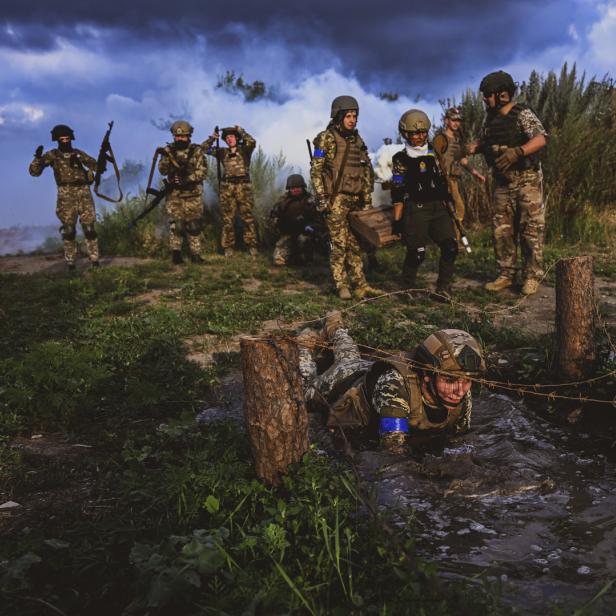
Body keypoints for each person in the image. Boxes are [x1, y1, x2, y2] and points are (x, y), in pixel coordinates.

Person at [297, 311, 485, 455]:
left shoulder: (460, 391)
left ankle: (335, 326)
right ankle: (304, 345)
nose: (459, 390)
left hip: (368, 373)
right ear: (427, 374)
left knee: (348, 356)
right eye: (449, 380)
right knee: (303, 392)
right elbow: (392, 448)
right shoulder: (395, 387)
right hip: (344, 381)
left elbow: (459, 439)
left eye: (468, 381)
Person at [468, 70, 547, 295]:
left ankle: (531, 276)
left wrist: (518, 152)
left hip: (526, 180)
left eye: (487, 95)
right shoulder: (490, 120)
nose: (484, 99)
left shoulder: (522, 113)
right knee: (502, 231)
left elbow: (541, 138)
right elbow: (484, 141)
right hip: (502, 183)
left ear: (502, 94)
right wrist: (473, 148)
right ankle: (505, 274)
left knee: (531, 229)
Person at [310, 95, 379, 300]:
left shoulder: (358, 140)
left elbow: (366, 171)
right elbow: (316, 170)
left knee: (356, 244)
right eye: (348, 116)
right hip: (335, 199)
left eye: (355, 116)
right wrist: (322, 197)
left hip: (355, 199)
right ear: (338, 116)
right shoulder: (326, 138)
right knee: (338, 244)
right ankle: (341, 284)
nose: (352, 120)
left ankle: (360, 285)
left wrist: (366, 199)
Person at [390, 109, 459, 298]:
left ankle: (443, 289)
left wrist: (449, 201)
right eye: (415, 133)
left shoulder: (433, 152)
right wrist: (397, 221)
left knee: (450, 247)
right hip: (416, 209)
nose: (420, 136)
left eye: (423, 132)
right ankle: (406, 288)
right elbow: (397, 193)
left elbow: (443, 177)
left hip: (439, 207)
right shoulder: (400, 159)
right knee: (417, 253)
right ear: (405, 133)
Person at [29, 124, 100, 271]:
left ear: (71, 138)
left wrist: (93, 167)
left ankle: (95, 260)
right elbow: (35, 172)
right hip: (65, 193)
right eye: (62, 139)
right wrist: (37, 158)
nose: (65, 141)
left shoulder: (78, 153)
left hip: (84, 192)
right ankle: (71, 263)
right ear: (57, 140)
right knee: (69, 230)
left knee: (89, 228)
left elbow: (96, 166)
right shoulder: (53, 155)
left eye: (67, 138)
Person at [202, 126, 258, 257]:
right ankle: (228, 247)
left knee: (247, 218)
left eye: (232, 136)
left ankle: (252, 245)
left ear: (236, 138)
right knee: (228, 219)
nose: (229, 139)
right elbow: (203, 149)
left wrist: (241, 131)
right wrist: (212, 138)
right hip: (227, 188)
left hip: (244, 187)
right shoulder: (221, 152)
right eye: (226, 138)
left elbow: (252, 142)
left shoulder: (245, 149)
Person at [157, 120, 208, 264]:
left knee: (193, 226)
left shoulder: (196, 151)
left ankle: (196, 255)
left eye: (183, 136)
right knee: (176, 225)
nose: (179, 138)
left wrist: (187, 179)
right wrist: (166, 158)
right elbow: (162, 171)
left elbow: (203, 172)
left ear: (189, 136)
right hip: (174, 195)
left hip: (193, 194)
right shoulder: (168, 151)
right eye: (177, 136)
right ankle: (176, 254)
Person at [432, 107, 486, 239]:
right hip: (445, 179)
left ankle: (452, 239)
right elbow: (432, 158)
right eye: (453, 120)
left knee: (454, 210)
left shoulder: (456, 139)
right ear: (446, 121)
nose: (456, 123)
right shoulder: (441, 138)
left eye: (458, 120)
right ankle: (454, 240)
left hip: (453, 179)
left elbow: (462, 160)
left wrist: (475, 173)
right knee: (458, 209)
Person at [270, 174, 320, 266]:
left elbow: (319, 219)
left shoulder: (310, 200)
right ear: (289, 188)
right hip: (288, 233)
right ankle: (292, 256)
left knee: (304, 246)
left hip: (305, 235)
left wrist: (311, 226)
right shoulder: (283, 201)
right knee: (278, 260)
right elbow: (273, 216)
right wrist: (280, 224)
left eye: (298, 187)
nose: (295, 189)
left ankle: (306, 258)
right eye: (293, 188)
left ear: (303, 187)